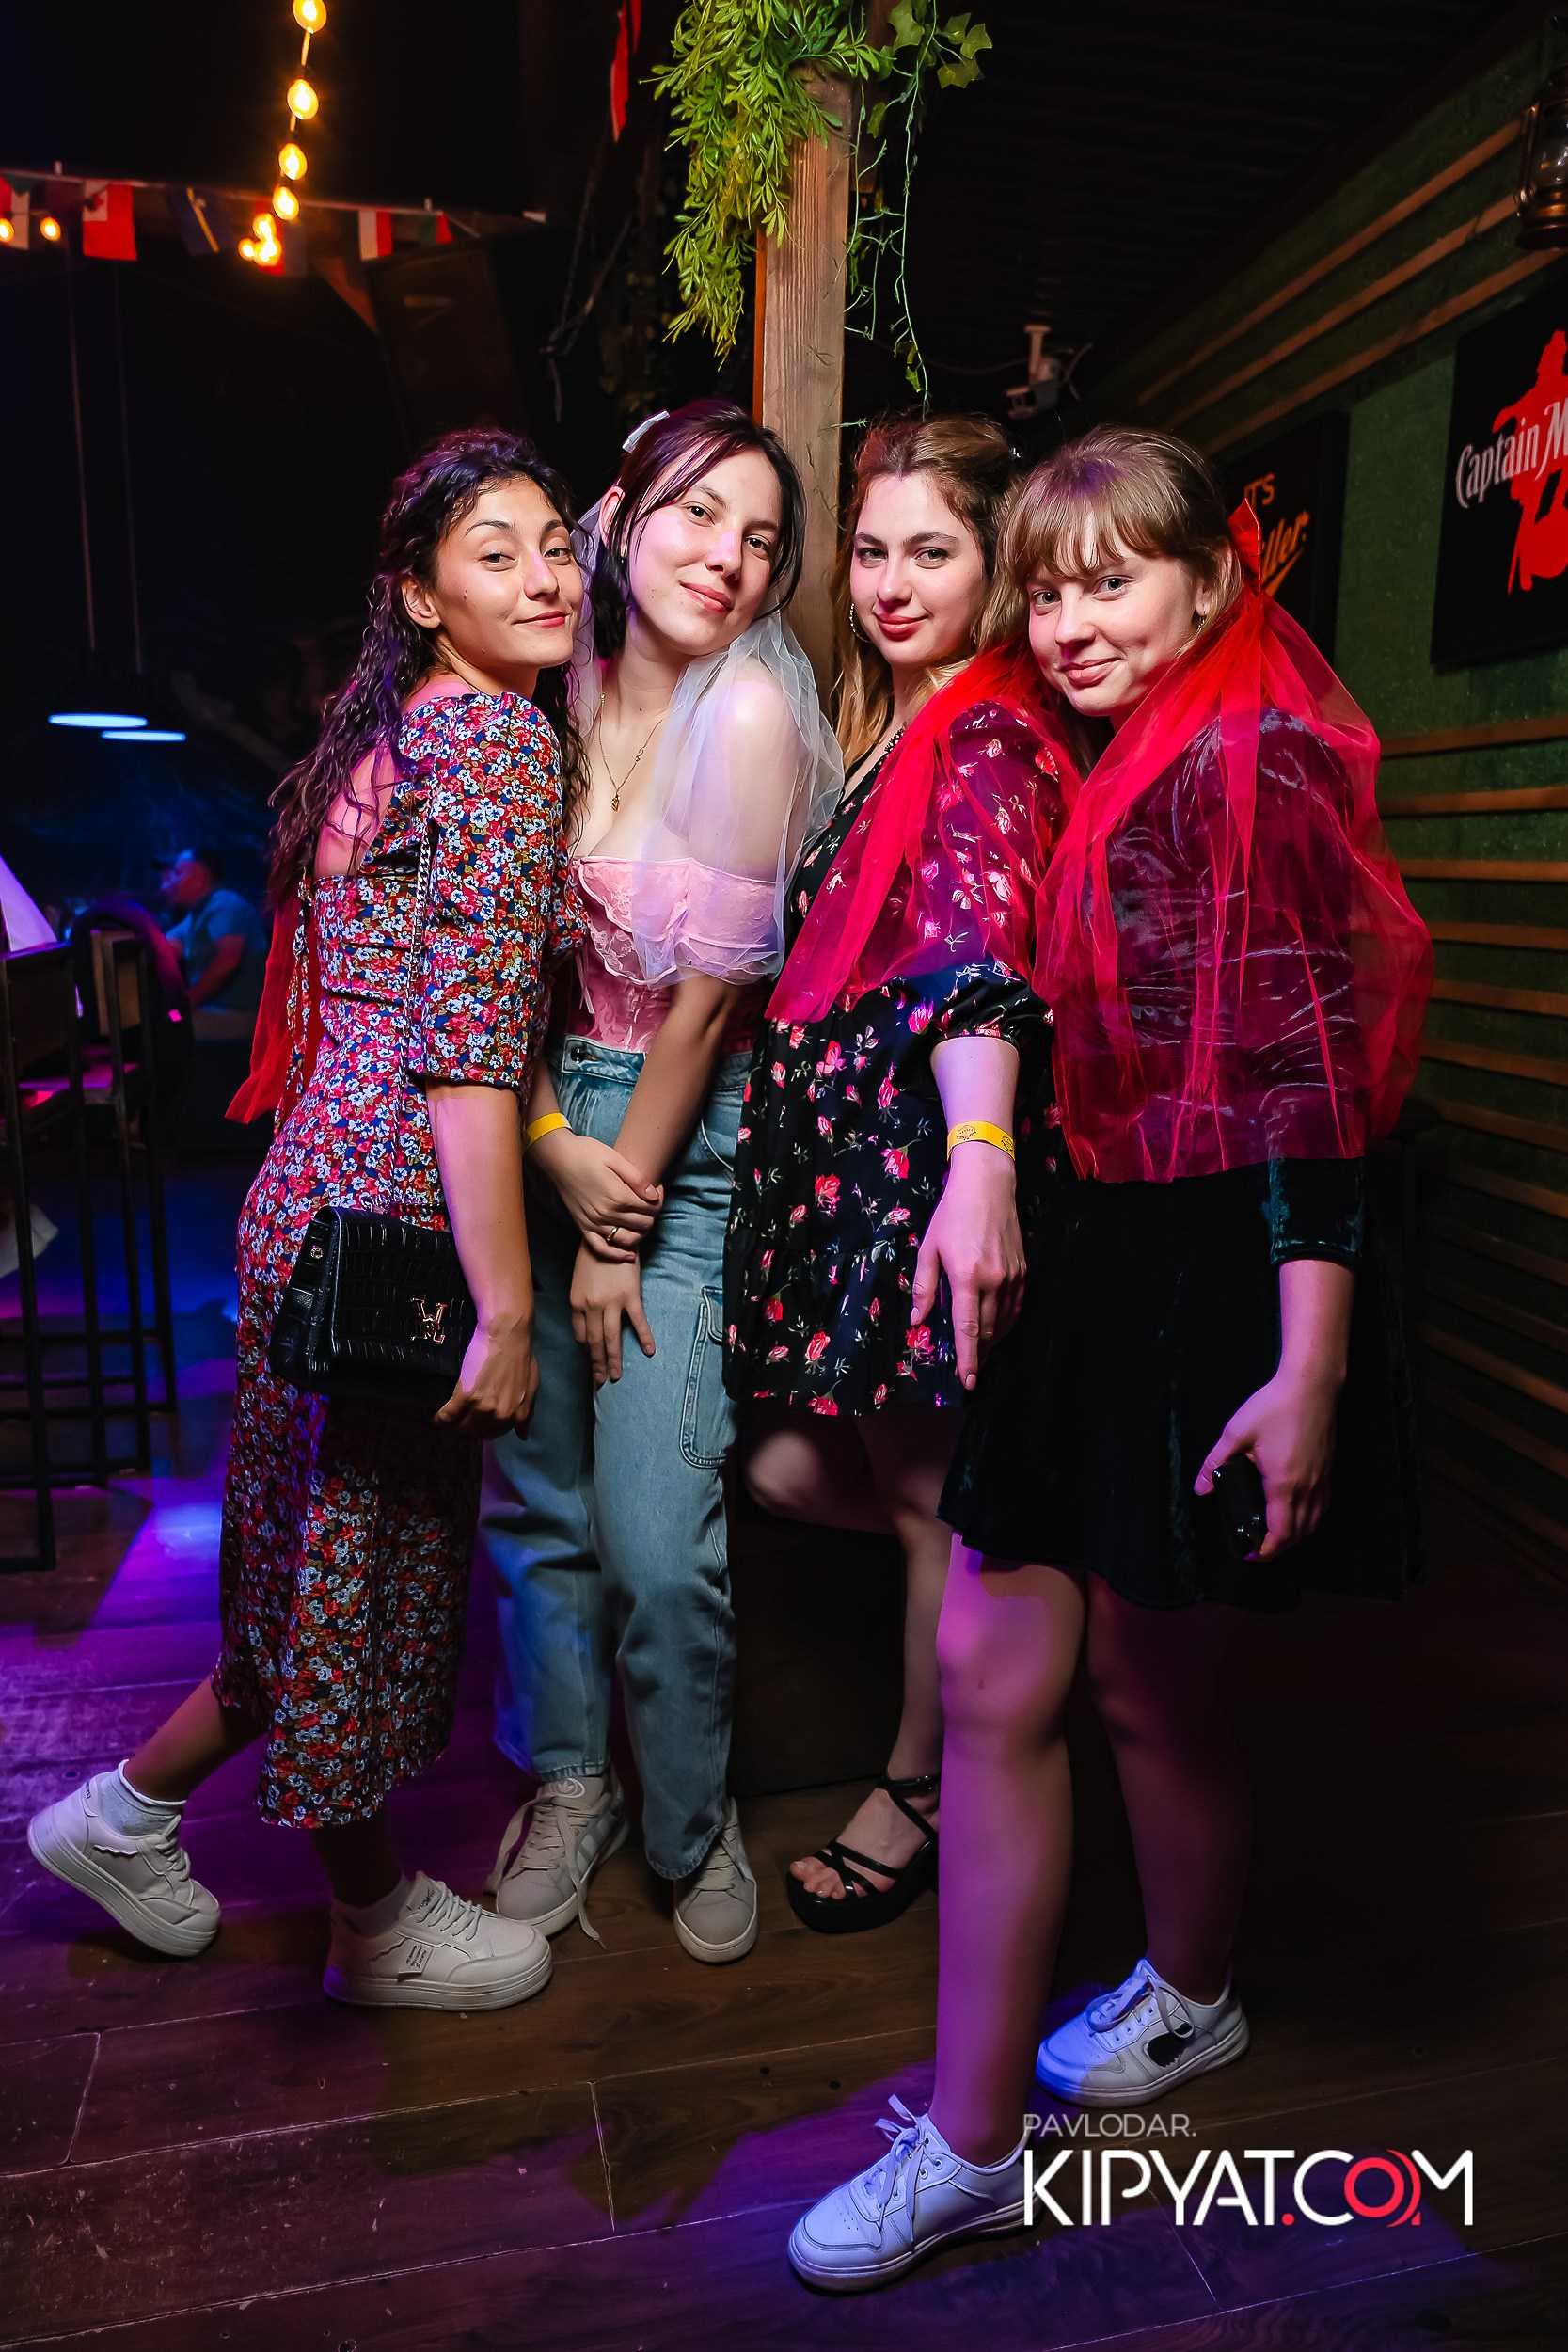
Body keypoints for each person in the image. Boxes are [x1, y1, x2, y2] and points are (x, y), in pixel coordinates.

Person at [787, 425, 1433, 2288]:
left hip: (1218, 1274)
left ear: (1210, 581)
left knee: (1146, 1684)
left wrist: (1308, 1364)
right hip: (1094, 1252)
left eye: (1112, 581)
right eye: (1046, 588)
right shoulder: (1102, 744)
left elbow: (1308, 1082)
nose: (1068, 620)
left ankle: (1186, 1991)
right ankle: (978, 2137)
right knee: (998, 1665)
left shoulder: (1255, 753)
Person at [29, 428, 588, 2012]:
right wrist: (504, 1306)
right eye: (496, 552)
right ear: (417, 593)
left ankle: (123, 1814)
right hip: (396, 1210)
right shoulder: (497, 744)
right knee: (357, 1582)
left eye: (558, 544)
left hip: (304, 1195)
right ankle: (376, 1924)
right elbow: (468, 1051)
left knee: (301, 1570)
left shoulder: (391, 739)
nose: (544, 576)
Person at [480, 401, 840, 1964]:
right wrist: (544, 1143)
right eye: (698, 513)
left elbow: (701, 1012)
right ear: (620, 517)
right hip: (534, 1108)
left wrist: (613, 1222)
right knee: (533, 1500)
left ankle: (691, 1819)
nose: (727, 558)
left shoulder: (748, 714)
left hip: (681, 1144)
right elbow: (489, 975)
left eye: (759, 539)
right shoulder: (544, 691)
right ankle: (570, 1786)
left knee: (654, 1534)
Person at [724, 416, 1079, 1933]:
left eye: (929, 551)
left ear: (994, 564)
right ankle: (1039, 1561)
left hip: (916, 1176)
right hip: (849, 1188)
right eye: (869, 550)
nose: (887, 581)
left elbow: (973, 969)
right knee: (796, 1471)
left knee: (926, 1502)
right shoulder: (898, 723)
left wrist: (976, 1166)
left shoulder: (985, 736)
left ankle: (916, 1785)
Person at [161, 847, 268, 1031]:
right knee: (164, 1021)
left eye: (177, 873)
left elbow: (228, 961)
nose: (170, 880)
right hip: (216, 1010)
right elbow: (164, 947)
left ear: (199, 879)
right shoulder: (196, 915)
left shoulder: (225, 904)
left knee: (167, 1029)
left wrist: (188, 1002)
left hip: (243, 1015)